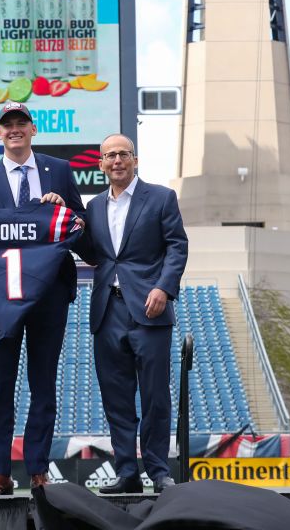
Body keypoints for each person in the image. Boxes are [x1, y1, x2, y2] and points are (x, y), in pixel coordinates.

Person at [0, 101, 87, 494]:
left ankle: (38, 468)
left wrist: (64, 209)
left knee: (44, 384)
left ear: (33, 129)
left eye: (21, 123)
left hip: (48, 294)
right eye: (8, 125)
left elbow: (80, 229)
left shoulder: (61, 171)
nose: (15, 129)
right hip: (0, 299)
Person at [84, 133, 188, 494]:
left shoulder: (160, 197)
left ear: (135, 160)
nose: (116, 161)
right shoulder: (94, 207)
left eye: (123, 154)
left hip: (150, 308)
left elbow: (177, 246)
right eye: (109, 155)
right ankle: (127, 471)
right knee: (116, 398)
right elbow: (86, 248)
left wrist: (163, 287)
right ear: (100, 164)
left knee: (156, 395)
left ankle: (159, 471)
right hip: (106, 309)